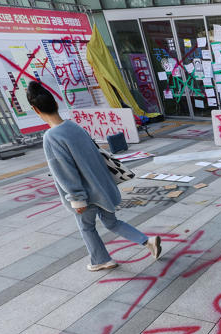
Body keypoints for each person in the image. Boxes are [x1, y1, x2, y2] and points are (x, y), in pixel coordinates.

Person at [26, 81, 161, 271]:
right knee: (111, 222)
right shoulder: (74, 127)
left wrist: (76, 199)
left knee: (87, 227)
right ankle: (147, 241)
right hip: (102, 187)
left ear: (36, 110)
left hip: (86, 195)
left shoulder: (51, 137)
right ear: (56, 104)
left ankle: (101, 260)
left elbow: (64, 170)